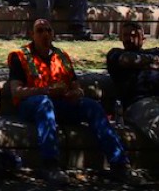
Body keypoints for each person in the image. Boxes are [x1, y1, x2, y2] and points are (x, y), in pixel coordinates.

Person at [8, 18, 130, 185]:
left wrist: (75, 93)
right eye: (40, 30)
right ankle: (50, 165)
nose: (45, 34)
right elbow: (16, 91)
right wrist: (45, 91)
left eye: (48, 30)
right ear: (32, 34)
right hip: (32, 105)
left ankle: (119, 164)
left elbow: (77, 87)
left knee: (92, 106)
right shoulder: (20, 57)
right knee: (45, 103)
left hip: (61, 103)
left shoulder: (61, 56)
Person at [106, 21, 159, 159]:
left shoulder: (158, 51)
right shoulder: (115, 54)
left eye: (134, 35)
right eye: (125, 35)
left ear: (143, 38)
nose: (129, 38)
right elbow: (128, 60)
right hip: (139, 103)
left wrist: (150, 62)